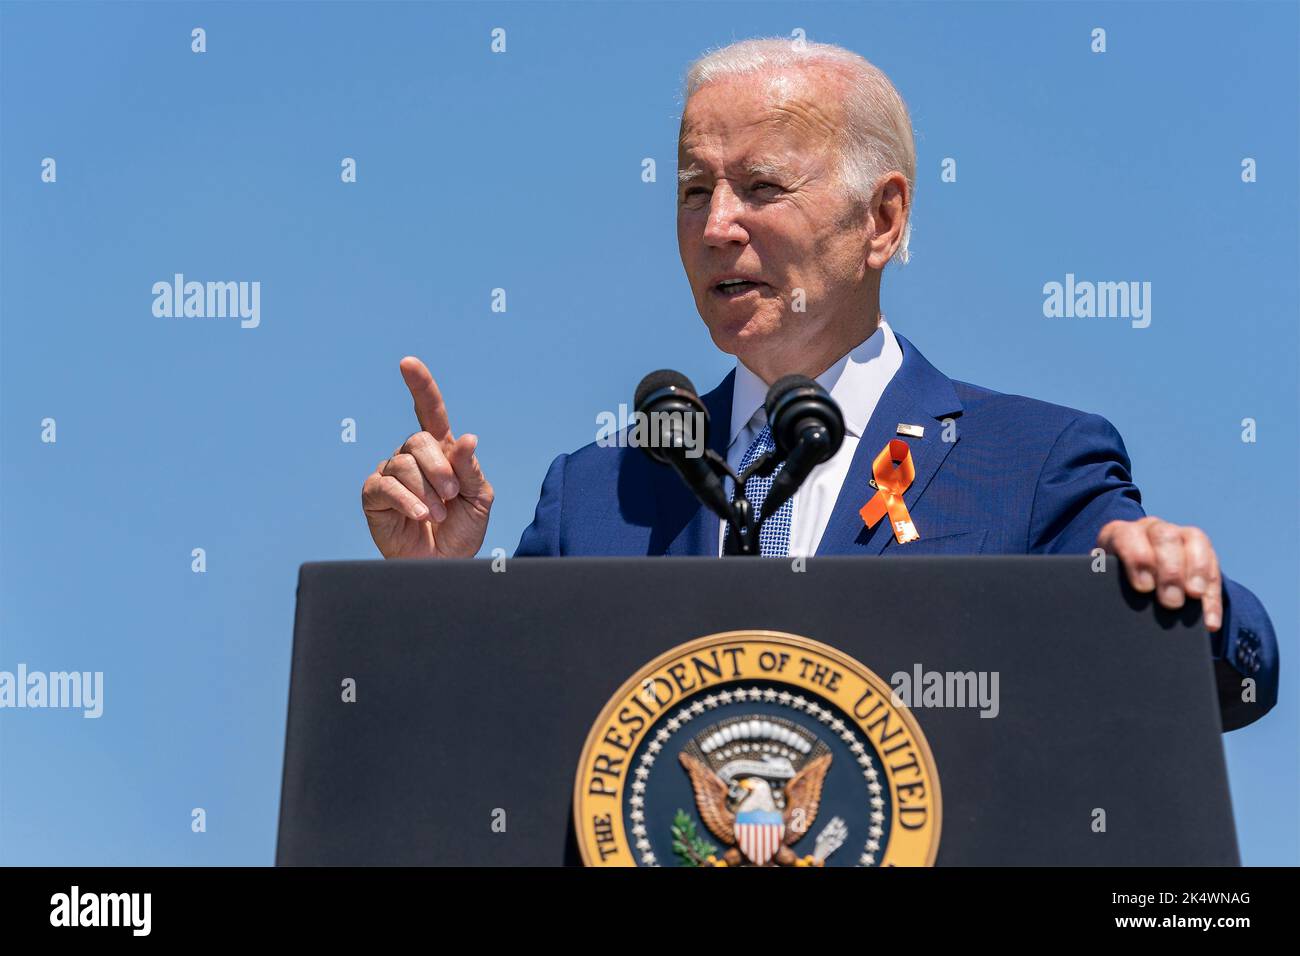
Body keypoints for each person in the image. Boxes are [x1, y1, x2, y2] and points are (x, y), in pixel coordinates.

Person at [360, 38, 1277, 730]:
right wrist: (436, 595)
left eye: (760, 186)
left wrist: (1184, 591)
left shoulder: (1029, 463)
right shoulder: (598, 496)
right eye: (692, 189)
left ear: (882, 219)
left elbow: (1232, 680)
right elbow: (488, 746)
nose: (718, 225)